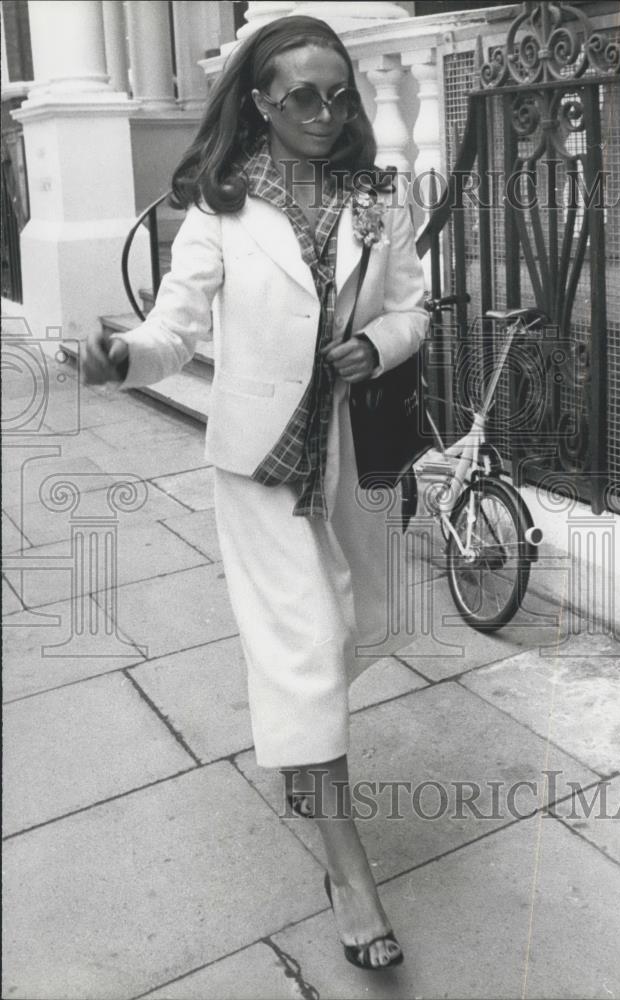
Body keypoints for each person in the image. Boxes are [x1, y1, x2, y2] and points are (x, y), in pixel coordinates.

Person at [85, 15, 427, 971]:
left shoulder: (376, 196)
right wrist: (122, 359)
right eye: (300, 97)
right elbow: (174, 331)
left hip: (350, 452)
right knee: (307, 651)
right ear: (261, 104)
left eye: (337, 93)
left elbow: (413, 305)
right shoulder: (220, 208)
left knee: (364, 627)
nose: (324, 113)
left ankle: (300, 749)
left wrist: (382, 343)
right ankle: (348, 871)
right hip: (261, 461)